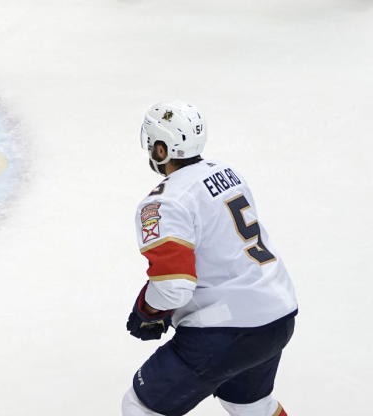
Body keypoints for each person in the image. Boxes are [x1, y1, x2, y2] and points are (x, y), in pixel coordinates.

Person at [124, 101, 297, 416]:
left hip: (229, 327)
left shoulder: (165, 202)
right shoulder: (226, 172)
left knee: (140, 407)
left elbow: (174, 286)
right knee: (252, 407)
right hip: (277, 314)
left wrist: (148, 310)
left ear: (161, 150)